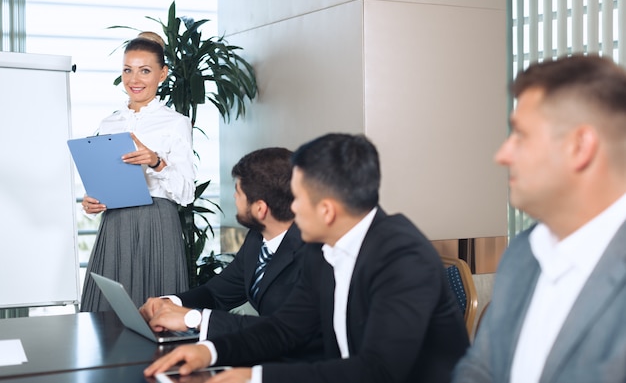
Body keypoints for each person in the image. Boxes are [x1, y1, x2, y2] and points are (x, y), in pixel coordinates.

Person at [145, 133, 469, 383]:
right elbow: (285, 329)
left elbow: (379, 371)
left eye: (298, 198)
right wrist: (208, 351)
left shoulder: (403, 258)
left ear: (327, 210)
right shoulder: (322, 249)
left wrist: (256, 377)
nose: (291, 207)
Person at [452, 54, 626, 383]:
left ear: (580, 146)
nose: (502, 154)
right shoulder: (523, 252)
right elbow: (480, 368)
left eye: (521, 135)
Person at [139, 147, 322, 360]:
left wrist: (193, 319)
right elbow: (217, 293)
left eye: (239, 192)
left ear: (260, 209)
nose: (234, 197)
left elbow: (287, 329)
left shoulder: (315, 254)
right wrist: (169, 303)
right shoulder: (257, 238)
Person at [80, 31, 196, 312]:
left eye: (145, 71)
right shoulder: (109, 123)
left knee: (156, 316)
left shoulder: (175, 122)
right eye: (128, 70)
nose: (134, 80)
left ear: (163, 74)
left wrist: (156, 161)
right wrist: (92, 200)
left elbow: (187, 192)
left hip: (156, 222)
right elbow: (107, 178)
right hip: (115, 223)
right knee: (104, 315)